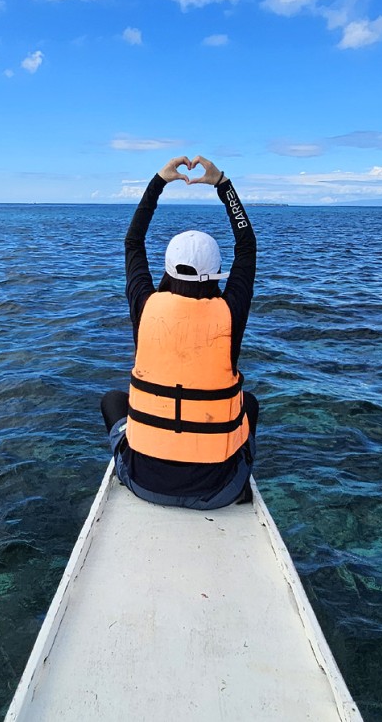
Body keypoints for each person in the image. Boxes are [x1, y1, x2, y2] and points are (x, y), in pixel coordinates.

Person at [100, 155, 259, 509]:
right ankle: (242, 483)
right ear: (217, 273)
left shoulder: (146, 306)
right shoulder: (229, 314)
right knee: (249, 403)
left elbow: (133, 242)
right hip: (221, 489)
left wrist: (159, 181)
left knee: (112, 401)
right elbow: (247, 246)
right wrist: (222, 184)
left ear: (168, 269)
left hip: (142, 481)